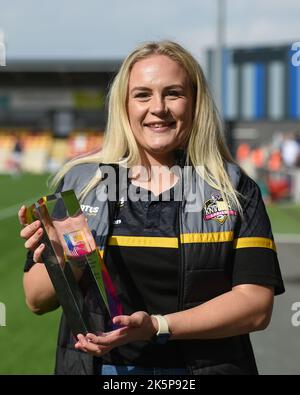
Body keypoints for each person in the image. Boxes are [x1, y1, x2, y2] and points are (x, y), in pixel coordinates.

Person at [19, 41, 284, 375]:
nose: (158, 107)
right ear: (125, 105)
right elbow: (37, 300)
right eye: (142, 95)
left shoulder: (233, 188)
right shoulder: (81, 183)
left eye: (173, 93)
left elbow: (255, 307)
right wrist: (64, 260)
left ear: (195, 103)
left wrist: (158, 325)